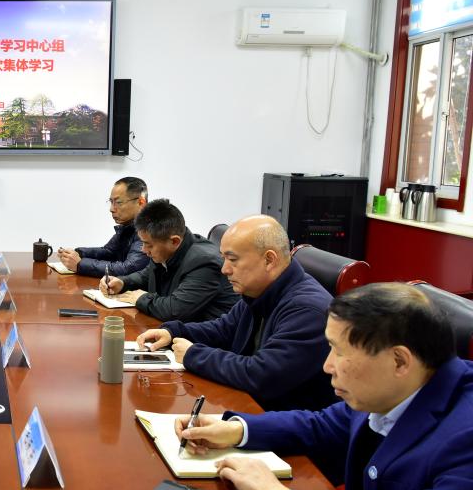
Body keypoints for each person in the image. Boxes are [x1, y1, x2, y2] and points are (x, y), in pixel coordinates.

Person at [176, 283, 473, 490]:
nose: (327, 366)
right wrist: (236, 430)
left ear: (399, 361)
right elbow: (322, 425)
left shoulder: (466, 436)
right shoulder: (392, 387)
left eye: (339, 352)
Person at [137, 215, 336, 412]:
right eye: (224, 258)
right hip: (251, 405)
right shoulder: (260, 291)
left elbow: (262, 375)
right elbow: (224, 329)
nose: (225, 269)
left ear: (269, 260)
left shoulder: (307, 310)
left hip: (280, 420)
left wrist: (193, 355)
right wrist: (174, 332)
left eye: (232, 260)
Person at [100, 199, 237, 322]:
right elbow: (146, 276)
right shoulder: (165, 250)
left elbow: (175, 311)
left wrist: (140, 298)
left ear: (174, 241)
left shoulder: (205, 263)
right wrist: (123, 282)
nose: (144, 250)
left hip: (207, 339)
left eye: (148, 245)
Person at [57, 176, 149, 277]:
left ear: (141, 202)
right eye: (111, 202)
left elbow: (128, 269)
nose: (111, 209)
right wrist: (77, 253)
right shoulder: (128, 226)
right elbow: (109, 252)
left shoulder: (148, 229)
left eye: (118, 202)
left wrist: (80, 264)